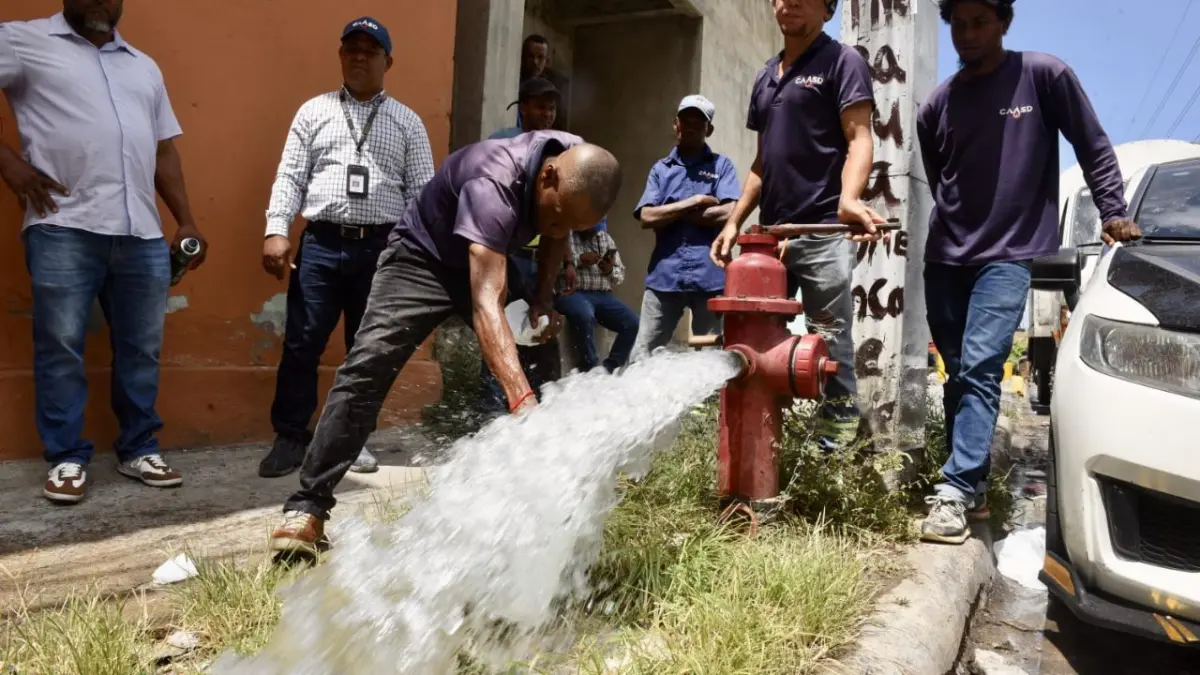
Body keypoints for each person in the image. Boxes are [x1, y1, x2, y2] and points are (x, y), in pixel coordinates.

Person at [268, 131, 622, 552]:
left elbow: (555, 235)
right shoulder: (492, 180)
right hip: (422, 259)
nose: (560, 228)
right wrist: (521, 403)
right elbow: (486, 303)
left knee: (540, 362)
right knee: (368, 367)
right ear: (547, 178)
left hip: (492, 255)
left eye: (572, 226)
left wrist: (542, 300)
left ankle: (534, 505)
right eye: (559, 216)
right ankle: (307, 508)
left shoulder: (574, 165)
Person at [915, 0, 1140, 544]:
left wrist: (1112, 210)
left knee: (983, 365)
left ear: (1004, 22)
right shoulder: (937, 104)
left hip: (1009, 254)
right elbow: (937, 173)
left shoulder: (1043, 75)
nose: (967, 34)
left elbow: (1092, 142)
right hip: (945, 256)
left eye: (980, 22)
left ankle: (953, 489)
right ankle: (975, 488)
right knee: (959, 373)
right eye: (958, 24)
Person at [0, 0, 205, 504]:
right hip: (64, 225)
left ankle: (139, 448)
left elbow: (163, 151)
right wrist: (7, 161)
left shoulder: (142, 65)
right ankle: (66, 458)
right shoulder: (23, 40)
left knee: (141, 349)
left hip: (141, 231)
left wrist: (185, 219)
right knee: (62, 347)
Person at [256, 17, 436, 479]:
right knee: (302, 343)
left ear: (387, 62)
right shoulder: (313, 112)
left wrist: (417, 254)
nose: (358, 56)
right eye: (350, 48)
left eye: (369, 50)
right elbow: (290, 175)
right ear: (340, 55)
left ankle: (353, 442)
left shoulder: (407, 122)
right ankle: (290, 437)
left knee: (367, 350)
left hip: (381, 249)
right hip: (321, 243)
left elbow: (422, 194)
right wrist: (277, 229)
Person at [711, 0, 884, 454]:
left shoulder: (841, 61)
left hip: (823, 230)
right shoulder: (766, 75)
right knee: (758, 339)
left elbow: (859, 136)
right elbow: (762, 162)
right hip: (772, 240)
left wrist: (849, 199)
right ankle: (766, 440)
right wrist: (734, 222)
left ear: (827, 10)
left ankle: (839, 445)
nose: (790, 3)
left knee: (829, 337)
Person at [476, 77, 583, 417]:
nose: (547, 114)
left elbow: (561, 215)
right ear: (523, 108)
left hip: (542, 260)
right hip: (507, 257)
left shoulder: (562, 154)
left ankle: (540, 410)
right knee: (502, 330)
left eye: (552, 108)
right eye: (540, 107)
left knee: (542, 329)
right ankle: (492, 416)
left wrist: (566, 260)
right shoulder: (503, 143)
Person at [630, 95, 740, 362]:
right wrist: (696, 202)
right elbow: (646, 216)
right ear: (675, 125)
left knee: (713, 358)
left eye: (698, 123)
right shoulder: (661, 169)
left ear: (708, 130)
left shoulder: (721, 166)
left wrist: (672, 211)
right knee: (642, 354)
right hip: (664, 277)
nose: (690, 127)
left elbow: (730, 212)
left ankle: (708, 405)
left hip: (711, 276)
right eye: (685, 121)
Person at [555, 226, 639, 373]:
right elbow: (552, 267)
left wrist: (609, 270)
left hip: (603, 295)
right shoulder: (565, 235)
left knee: (633, 323)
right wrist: (579, 260)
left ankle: (610, 369)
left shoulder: (605, 238)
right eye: (590, 226)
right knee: (585, 315)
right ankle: (590, 367)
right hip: (573, 293)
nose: (594, 231)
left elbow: (620, 276)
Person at [518, 35, 570, 131]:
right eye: (531, 56)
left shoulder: (556, 83)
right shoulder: (513, 81)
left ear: (547, 60)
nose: (535, 62)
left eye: (540, 57)